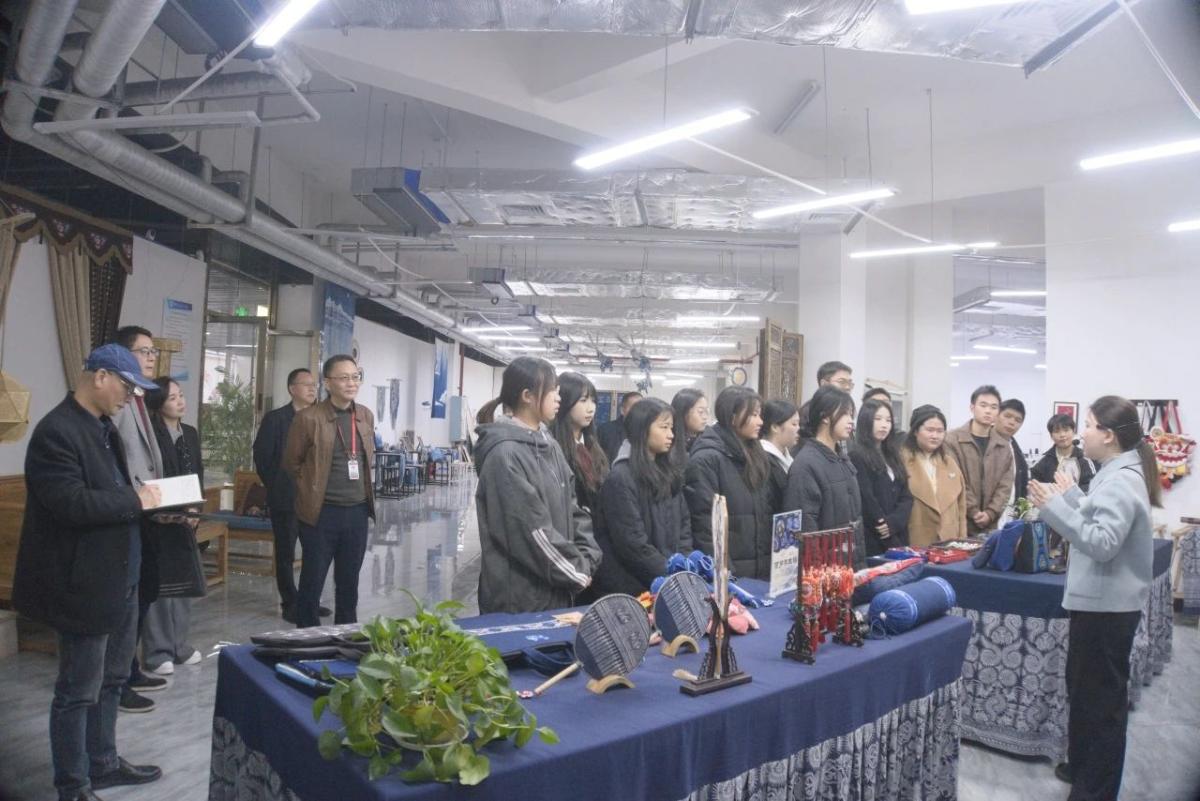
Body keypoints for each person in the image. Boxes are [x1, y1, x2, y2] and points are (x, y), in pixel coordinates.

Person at [12, 344, 163, 801]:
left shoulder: (103, 427)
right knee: (78, 690)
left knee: (114, 680)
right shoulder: (56, 432)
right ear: (100, 377)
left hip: (120, 576)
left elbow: (112, 493)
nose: (130, 397)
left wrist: (153, 506)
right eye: (127, 386)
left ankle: (103, 764)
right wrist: (136, 500)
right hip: (83, 583)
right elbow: (71, 504)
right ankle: (73, 785)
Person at [1029, 396, 1161, 801]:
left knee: (1101, 705)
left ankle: (1096, 790)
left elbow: (1103, 543)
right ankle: (1082, 767)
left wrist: (1053, 508)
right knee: (1086, 695)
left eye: (1087, 425)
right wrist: (1070, 498)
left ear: (1108, 435)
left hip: (1108, 608)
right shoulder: (1115, 471)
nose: (1080, 433)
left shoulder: (1121, 479)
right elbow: (1097, 514)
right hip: (1100, 603)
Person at [473, 357, 601, 613]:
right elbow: (532, 532)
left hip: (555, 588)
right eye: (552, 390)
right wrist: (575, 570)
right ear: (527, 396)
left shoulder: (549, 445)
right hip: (521, 601)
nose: (558, 398)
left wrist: (587, 556)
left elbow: (574, 510)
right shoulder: (505, 455)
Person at [283, 355, 376, 628]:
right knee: (312, 581)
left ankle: (346, 636)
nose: (351, 383)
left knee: (349, 583)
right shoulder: (308, 418)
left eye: (356, 377)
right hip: (321, 514)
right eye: (344, 377)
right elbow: (291, 463)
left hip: (357, 512)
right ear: (327, 383)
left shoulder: (365, 416)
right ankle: (307, 637)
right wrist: (310, 489)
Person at [109, 326, 167, 710]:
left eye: (152, 351)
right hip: (127, 508)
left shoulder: (140, 397)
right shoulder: (117, 402)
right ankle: (118, 678)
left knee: (145, 591)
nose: (150, 357)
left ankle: (130, 667)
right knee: (129, 596)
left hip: (148, 508)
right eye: (143, 351)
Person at [591, 398, 692, 596]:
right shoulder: (620, 478)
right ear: (642, 429)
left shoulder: (668, 474)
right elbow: (632, 544)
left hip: (668, 583)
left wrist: (681, 567)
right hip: (632, 588)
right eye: (664, 427)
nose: (671, 435)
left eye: (671, 428)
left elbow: (684, 526)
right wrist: (669, 574)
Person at [253, 367, 330, 624]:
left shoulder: (321, 418)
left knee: (315, 552)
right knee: (285, 552)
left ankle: (309, 601)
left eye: (314, 384)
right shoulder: (276, 419)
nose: (312, 388)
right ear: (291, 389)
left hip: (316, 499)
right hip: (286, 499)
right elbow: (262, 457)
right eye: (306, 384)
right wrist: (277, 486)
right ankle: (289, 602)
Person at [141, 378, 203, 675]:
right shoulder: (151, 433)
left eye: (181, 395)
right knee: (161, 588)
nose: (180, 402)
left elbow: (197, 472)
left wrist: (195, 508)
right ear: (158, 403)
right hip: (159, 516)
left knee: (184, 583)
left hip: (187, 515)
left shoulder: (189, 432)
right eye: (172, 398)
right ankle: (158, 652)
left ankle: (180, 646)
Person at [685, 387, 775, 579]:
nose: (760, 421)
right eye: (753, 415)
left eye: (760, 415)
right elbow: (705, 527)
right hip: (731, 577)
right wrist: (727, 577)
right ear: (732, 417)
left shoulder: (756, 453)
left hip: (760, 572)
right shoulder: (707, 459)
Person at [784, 387, 865, 569]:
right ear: (825, 416)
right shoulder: (806, 465)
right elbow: (805, 527)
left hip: (850, 565)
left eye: (851, 414)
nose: (851, 421)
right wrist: (816, 575)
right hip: (824, 572)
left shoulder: (842, 458)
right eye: (845, 414)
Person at [944, 385, 1014, 536]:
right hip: (960, 520)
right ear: (972, 407)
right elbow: (955, 480)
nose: (988, 411)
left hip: (991, 524)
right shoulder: (952, 440)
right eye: (983, 405)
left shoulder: (1003, 446)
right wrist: (974, 511)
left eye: (994, 407)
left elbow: (1005, 486)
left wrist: (991, 512)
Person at [849, 399, 913, 556]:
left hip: (898, 532)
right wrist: (885, 528)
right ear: (866, 420)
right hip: (875, 538)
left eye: (888, 420)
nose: (884, 425)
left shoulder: (893, 454)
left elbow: (906, 496)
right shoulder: (856, 455)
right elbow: (867, 499)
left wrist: (894, 522)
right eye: (878, 419)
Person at [902, 405, 967, 547]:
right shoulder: (902, 461)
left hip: (949, 543)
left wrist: (962, 540)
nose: (935, 436)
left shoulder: (950, 463)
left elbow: (961, 508)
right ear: (915, 431)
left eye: (940, 431)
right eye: (930, 430)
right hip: (915, 541)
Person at [550, 371, 609, 514]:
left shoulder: (592, 444)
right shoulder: (553, 447)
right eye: (583, 400)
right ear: (564, 402)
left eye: (593, 401)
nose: (591, 408)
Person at [1031, 413, 1097, 494]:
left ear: (1073, 432)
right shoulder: (1043, 461)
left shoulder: (1085, 459)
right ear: (1051, 436)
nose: (1062, 435)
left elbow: (1092, 486)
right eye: (1057, 431)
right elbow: (1033, 485)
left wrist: (1070, 493)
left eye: (1066, 430)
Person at [797, 360, 853, 441]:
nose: (847, 387)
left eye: (850, 383)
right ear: (824, 384)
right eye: (842, 382)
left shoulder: (848, 410)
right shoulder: (808, 411)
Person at [758, 399, 799, 509]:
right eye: (794, 424)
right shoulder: (762, 460)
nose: (798, 428)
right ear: (775, 427)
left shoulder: (789, 458)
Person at [996, 399, 1030, 505]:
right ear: (996, 415)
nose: (1012, 422)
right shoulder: (983, 443)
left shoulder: (1014, 448)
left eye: (1018, 420)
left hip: (1011, 510)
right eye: (1007, 416)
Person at [597, 391, 642, 463]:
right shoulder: (605, 431)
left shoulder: (646, 433)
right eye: (633, 407)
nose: (638, 411)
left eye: (641, 408)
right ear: (622, 410)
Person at [670, 387, 709, 459]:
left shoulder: (709, 440)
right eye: (700, 412)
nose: (705, 417)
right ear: (683, 412)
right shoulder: (668, 441)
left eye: (706, 411)